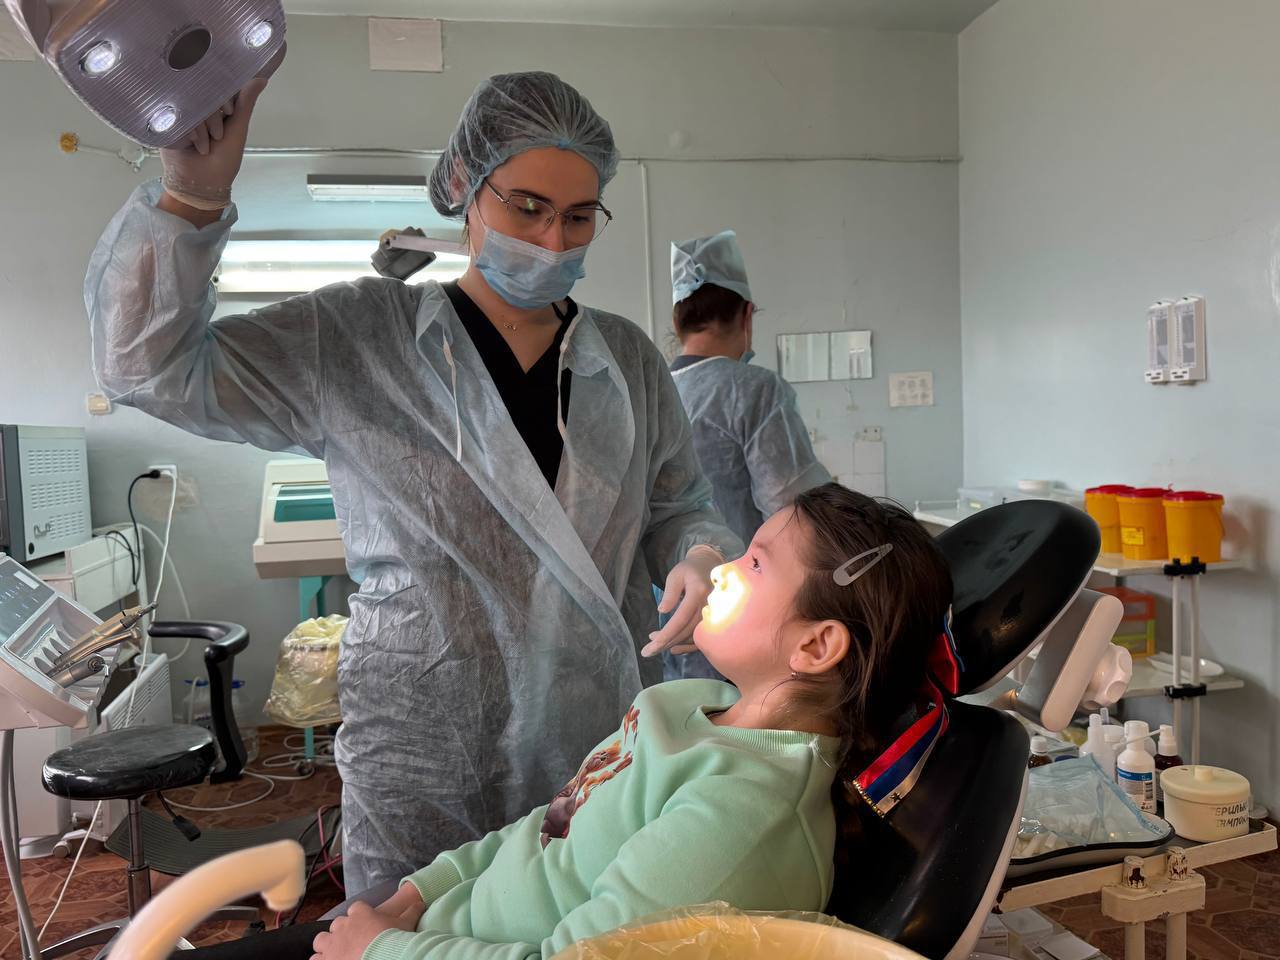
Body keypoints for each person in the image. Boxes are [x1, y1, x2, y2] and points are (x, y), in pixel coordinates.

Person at [85, 71, 742, 893]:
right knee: (412, 928)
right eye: (527, 207)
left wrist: (699, 553)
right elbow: (148, 367)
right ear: (465, 183)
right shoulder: (358, 337)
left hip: (596, 734)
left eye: (579, 218)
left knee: (581, 921)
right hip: (424, 744)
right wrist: (190, 197)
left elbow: (680, 505)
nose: (552, 242)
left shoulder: (629, 361)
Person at [173, 483, 955, 960]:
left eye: (754, 562)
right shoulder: (682, 706)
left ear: (816, 646)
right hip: (426, 926)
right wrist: (414, 896)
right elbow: (549, 827)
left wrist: (383, 950)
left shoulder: (741, 819)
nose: (720, 569)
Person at [663, 230, 831, 681]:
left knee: (677, 715)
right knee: (742, 716)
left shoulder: (653, 392)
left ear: (677, 320)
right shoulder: (752, 390)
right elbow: (796, 508)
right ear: (747, 315)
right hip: (743, 609)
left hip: (666, 605)